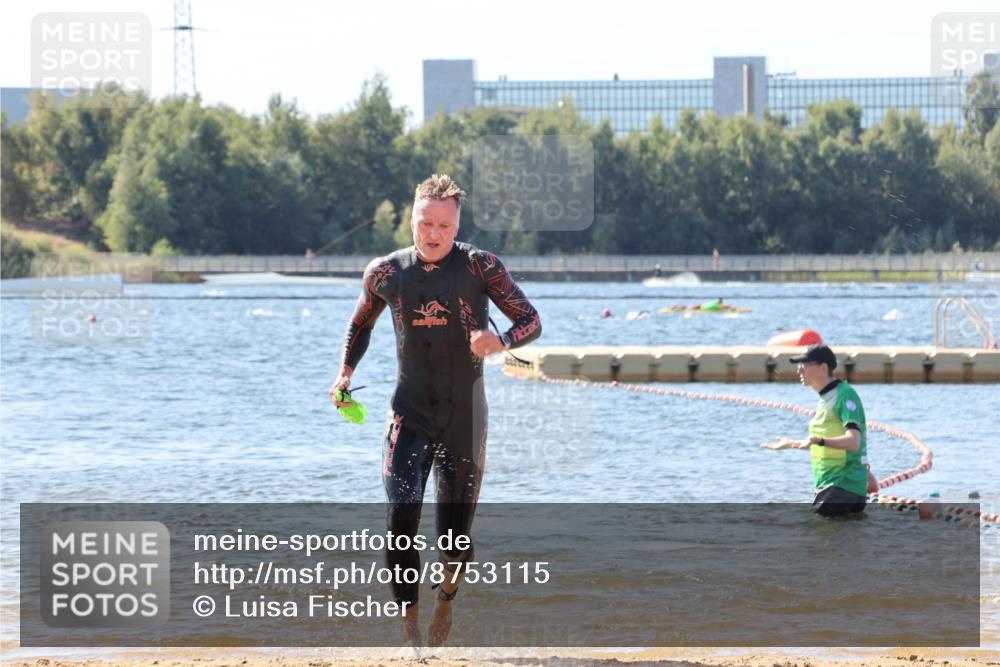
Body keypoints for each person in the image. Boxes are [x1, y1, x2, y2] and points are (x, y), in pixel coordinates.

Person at [329, 174, 542, 647]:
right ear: (411, 221)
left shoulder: (481, 267)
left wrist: (500, 340)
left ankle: (445, 597)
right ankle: (409, 631)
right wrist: (345, 373)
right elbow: (360, 322)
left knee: (454, 541)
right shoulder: (386, 273)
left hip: (464, 418)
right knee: (400, 514)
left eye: (444, 226)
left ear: (456, 225)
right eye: (425, 222)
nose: (433, 233)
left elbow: (531, 321)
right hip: (409, 413)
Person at [761, 344, 873, 517]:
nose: (799, 370)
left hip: (841, 486)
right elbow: (820, 442)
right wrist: (791, 444)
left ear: (823, 367)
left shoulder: (844, 394)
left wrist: (819, 440)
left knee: (814, 537)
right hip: (833, 487)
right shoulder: (826, 399)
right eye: (799, 366)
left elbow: (853, 442)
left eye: (805, 366)